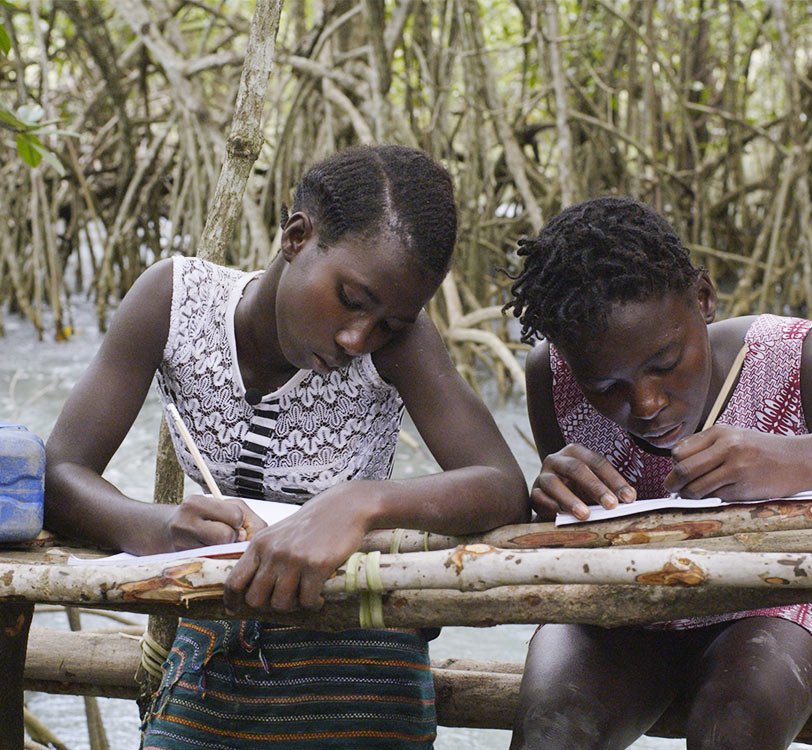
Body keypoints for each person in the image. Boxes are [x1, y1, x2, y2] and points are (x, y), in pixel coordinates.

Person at [44, 144, 530, 749]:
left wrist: (357, 503)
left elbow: (502, 486)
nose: (359, 337)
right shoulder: (174, 303)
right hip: (215, 652)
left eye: (388, 323)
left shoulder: (397, 345)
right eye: (351, 300)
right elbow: (62, 473)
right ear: (297, 236)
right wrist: (159, 526)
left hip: (362, 661)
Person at [502, 196, 812, 749]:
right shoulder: (552, 377)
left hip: (776, 602)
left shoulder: (790, 359)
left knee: (734, 726)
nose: (646, 403)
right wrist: (555, 497)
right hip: (618, 608)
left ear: (704, 298)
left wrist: (799, 462)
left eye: (665, 364)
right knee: (550, 733)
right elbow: (570, 546)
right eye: (608, 388)